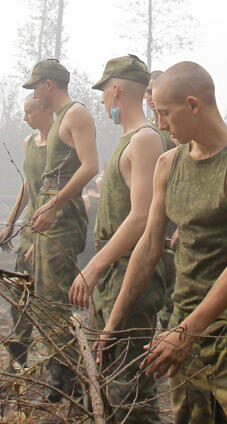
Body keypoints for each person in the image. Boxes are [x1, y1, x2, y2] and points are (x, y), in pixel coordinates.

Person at [100, 62, 227, 423]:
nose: (161, 124)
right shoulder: (168, 164)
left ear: (193, 105)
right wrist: (113, 325)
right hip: (183, 336)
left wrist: (186, 331)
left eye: (165, 113)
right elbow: (149, 248)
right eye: (156, 114)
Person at [68, 55, 171, 423]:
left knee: (129, 394)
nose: (101, 102)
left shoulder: (145, 140)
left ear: (116, 89)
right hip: (113, 279)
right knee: (105, 381)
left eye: (103, 93)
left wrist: (92, 268)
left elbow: (142, 217)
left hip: (131, 278)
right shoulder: (130, 140)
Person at [22, 59, 99, 399]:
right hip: (48, 222)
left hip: (63, 218)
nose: (35, 93)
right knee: (44, 301)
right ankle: (60, 377)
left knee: (54, 303)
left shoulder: (75, 114)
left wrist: (54, 205)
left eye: (36, 86)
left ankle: (68, 384)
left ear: (49, 85)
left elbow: (91, 166)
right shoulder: (56, 125)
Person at [0, 94, 53, 366]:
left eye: (29, 111)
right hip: (30, 226)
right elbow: (28, 186)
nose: (25, 117)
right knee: (20, 295)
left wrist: (41, 243)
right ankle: (17, 364)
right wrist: (11, 222)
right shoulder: (29, 143)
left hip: (52, 228)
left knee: (47, 301)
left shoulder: (60, 141)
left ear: (44, 109)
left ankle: (61, 370)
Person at [147, 67, 179, 327]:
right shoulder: (148, 130)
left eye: (152, 90)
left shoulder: (176, 132)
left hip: (174, 222)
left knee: (174, 287)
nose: (149, 96)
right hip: (153, 218)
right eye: (146, 91)